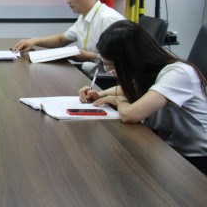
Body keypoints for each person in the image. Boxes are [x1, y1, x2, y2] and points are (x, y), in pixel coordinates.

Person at [79, 20, 207, 175]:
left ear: (130, 59)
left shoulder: (178, 73)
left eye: (111, 66)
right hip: (171, 151)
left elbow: (130, 115)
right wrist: (100, 94)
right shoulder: (150, 71)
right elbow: (130, 89)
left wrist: (120, 101)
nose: (109, 71)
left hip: (197, 161)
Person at [12, 0, 125, 74]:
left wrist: (88, 56)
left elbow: (120, 61)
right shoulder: (84, 17)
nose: (67, 1)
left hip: (105, 79)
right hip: (88, 73)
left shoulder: (109, 19)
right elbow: (62, 39)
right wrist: (33, 41)